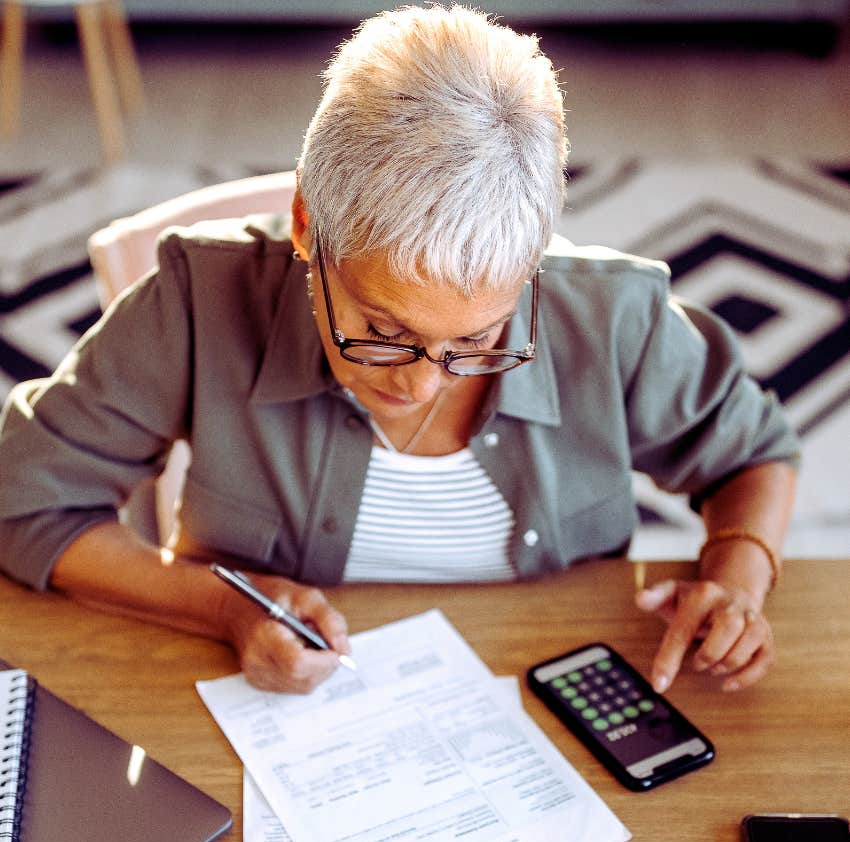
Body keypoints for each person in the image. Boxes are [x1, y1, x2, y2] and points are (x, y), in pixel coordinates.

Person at [0, 5, 798, 696]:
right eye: (382, 333)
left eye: (478, 340)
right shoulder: (195, 303)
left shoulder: (612, 315)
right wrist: (225, 606)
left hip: (548, 698)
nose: (421, 385)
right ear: (307, 225)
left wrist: (737, 580)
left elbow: (753, 453)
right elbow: (23, 502)